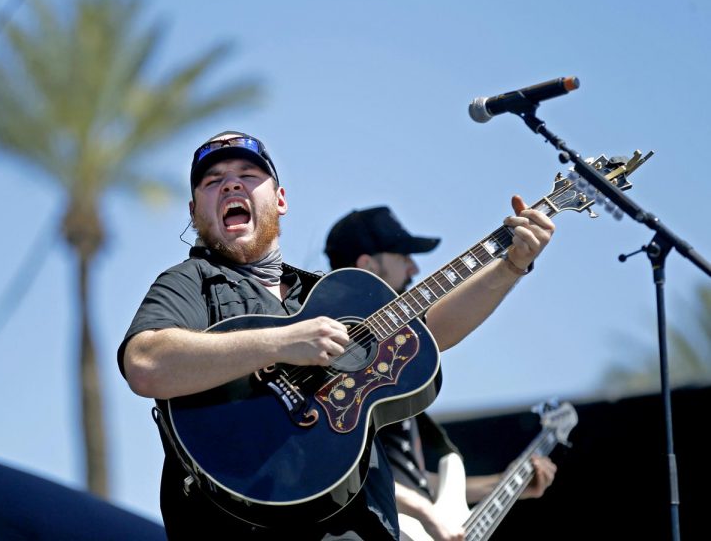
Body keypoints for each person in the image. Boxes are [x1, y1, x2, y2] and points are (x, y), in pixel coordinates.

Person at [118, 131, 555, 540]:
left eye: (248, 176)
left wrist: (511, 264)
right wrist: (283, 341)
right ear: (194, 211)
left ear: (280, 199)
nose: (231, 186)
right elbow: (145, 363)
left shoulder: (333, 293)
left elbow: (432, 331)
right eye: (213, 181)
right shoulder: (191, 280)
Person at [324, 207, 558, 541]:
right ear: (366, 265)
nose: (414, 267)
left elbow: (405, 479)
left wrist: (503, 485)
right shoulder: (336, 360)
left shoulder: (397, 366)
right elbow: (336, 469)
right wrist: (423, 511)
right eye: (403, 255)